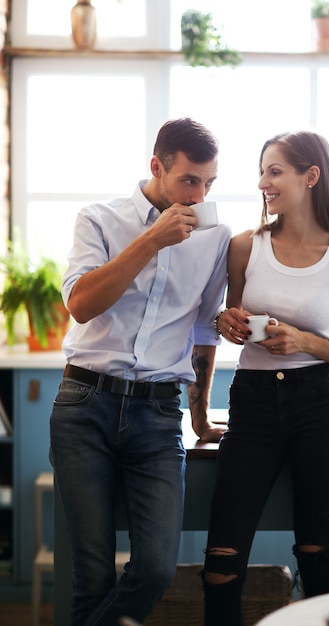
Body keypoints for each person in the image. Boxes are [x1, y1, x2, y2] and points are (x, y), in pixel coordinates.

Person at [49, 117, 230, 626]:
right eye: (188, 180)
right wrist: (151, 240)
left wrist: (199, 416)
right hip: (84, 405)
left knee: (154, 568)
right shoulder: (99, 219)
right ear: (157, 167)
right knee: (91, 576)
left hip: (157, 413)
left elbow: (201, 330)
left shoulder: (215, 238)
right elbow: (81, 304)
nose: (198, 195)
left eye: (209, 183)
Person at [202, 130, 329, 626]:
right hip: (253, 406)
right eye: (261, 172)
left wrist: (303, 341)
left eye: (274, 170)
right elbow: (225, 318)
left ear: (311, 176)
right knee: (220, 565)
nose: (263, 182)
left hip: (317, 407)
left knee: (317, 559)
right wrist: (226, 322)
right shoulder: (244, 247)